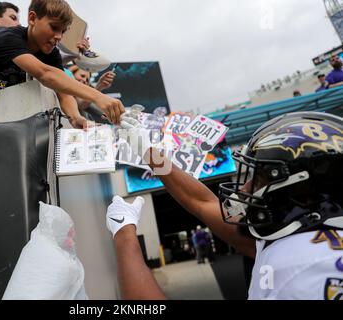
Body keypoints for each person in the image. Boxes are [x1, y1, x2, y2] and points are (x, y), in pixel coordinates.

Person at [113, 111, 343, 300]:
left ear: (303, 191)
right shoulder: (290, 235)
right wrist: (147, 151)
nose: (245, 189)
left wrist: (126, 240)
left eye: (260, 178)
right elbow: (201, 201)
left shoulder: (313, 273)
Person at [0, 0, 124, 128]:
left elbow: (63, 91)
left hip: (13, 120)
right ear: (32, 18)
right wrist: (98, 97)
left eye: (63, 31)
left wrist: (75, 117)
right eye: (54, 27)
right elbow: (46, 74)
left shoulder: (50, 52)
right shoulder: (6, 38)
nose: (58, 37)